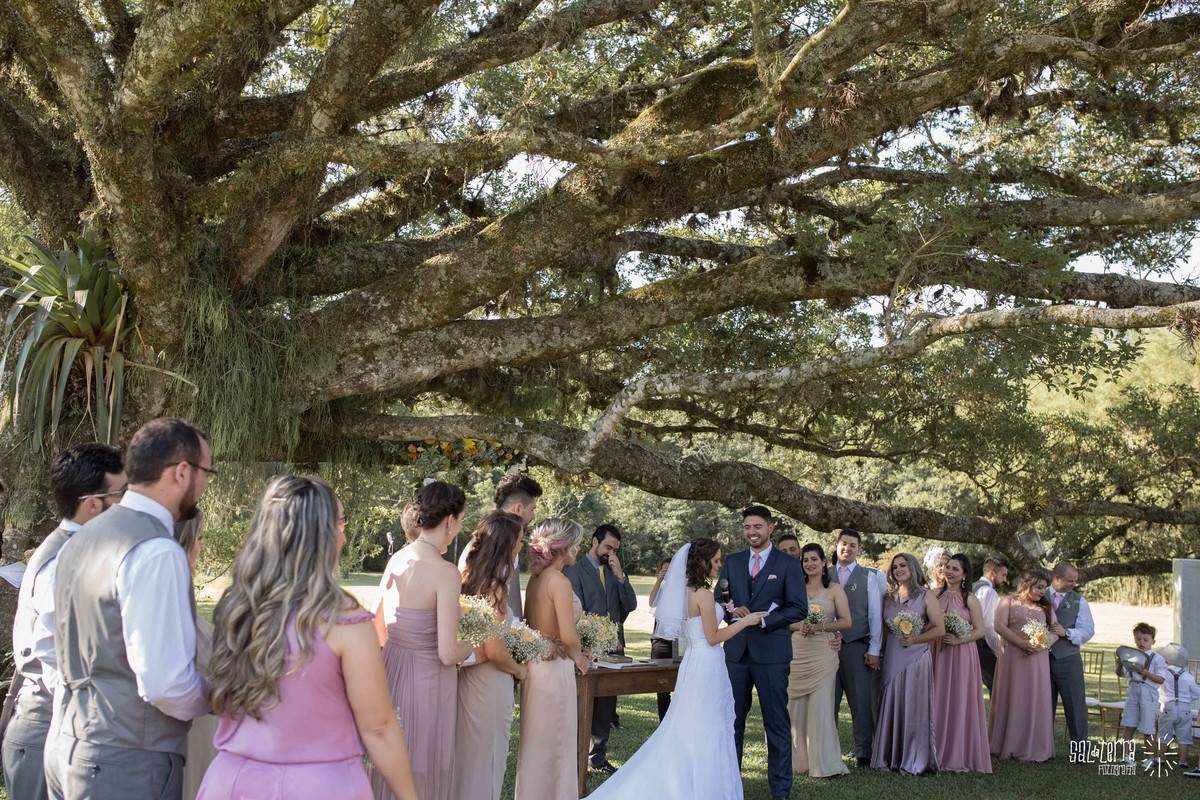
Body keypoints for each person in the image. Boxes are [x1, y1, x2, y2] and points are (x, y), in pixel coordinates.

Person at [198, 476, 417, 800]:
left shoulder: (238, 609)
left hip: (233, 783)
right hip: (320, 786)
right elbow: (379, 726)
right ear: (323, 533)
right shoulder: (344, 620)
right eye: (340, 521)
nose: (343, 533)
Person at [52, 418, 211, 800]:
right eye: (207, 472)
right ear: (182, 472)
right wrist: (223, 697)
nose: (205, 485)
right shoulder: (156, 550)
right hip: (128, 761)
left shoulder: (84, 535)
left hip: (71, 743)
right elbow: (164, 683)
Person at [586, 539, 767, 800]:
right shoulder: (702, 593)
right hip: (705, 663)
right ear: (703, 562)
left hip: (696, 661)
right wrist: (746, 621)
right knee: (706, 725)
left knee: (694, 724)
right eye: (715, 560)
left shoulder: (690, 590)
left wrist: (726, 611)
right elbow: (714, 637)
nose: (719, 565)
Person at [3, 443, 124, 800]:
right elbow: (55, 656)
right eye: (122, 494)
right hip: (45, 731)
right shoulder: (64, 562)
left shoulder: (79, 550)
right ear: (92, 504)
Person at [371, 480, 475, 800]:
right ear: (449, 520)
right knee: (423, 765)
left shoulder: (398, 559)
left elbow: (376, 625)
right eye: (460, 519)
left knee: (391, 759)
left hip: (392, 670)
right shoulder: (445, 573)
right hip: (428, 681)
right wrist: (472, 645)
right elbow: (447, 652)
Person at [715, 506, 806, 800]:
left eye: (757, 526)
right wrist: (732, 613)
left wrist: (763, 619)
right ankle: (730, 785)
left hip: (772, 654)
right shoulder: (732, 561)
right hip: (737, 653)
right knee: (732, 721)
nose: (751, 532)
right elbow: (720, 599)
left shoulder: (789, 564)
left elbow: (798, 607)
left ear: (771, 527)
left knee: (776, 722)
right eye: (747, 527)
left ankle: (780, 790)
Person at [451, 510, 529, 800]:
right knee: (487, 761)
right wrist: (519, 671)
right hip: (489, 684)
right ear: (506, 545)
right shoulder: (495, 587)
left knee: (467, 761)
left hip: (468, 681)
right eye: (519, 541)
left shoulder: (467, 577)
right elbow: (494, 651)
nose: (521, 546)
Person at [514, 519, 590, 800]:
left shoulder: (535, 580)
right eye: (577, 544)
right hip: (555, 670)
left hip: (535, 668)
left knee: (536, 744)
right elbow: (569, 637)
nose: (579, 549)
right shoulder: (559, 581)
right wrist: (580, 660)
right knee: (557, 744)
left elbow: (527, 625)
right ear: (564, 548)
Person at [563, 523, 638, 773]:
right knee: (582, 705)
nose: (611, 553)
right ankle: (574, 758)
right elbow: (576, 612)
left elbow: (631, 605)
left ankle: (598, 757)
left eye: (615, 549)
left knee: (606, 706)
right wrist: (594, 638)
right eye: (607, 547)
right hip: (586, 649)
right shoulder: (575, 570)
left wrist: (620, 577)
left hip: (614, 650)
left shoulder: (614, 571)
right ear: (594, 542)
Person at [872, 553, 943, 774]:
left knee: (914, 705)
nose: (898, 569)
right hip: (892, 656)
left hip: (917, 656)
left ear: (913, 568)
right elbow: (882, 628)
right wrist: (877, 652)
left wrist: (915, 638)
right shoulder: (888, 597)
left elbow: (939, 629)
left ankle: (914, 758)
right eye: (895, 567)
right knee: (891, 702)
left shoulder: (926, 596)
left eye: (903, 565)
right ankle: (888, 757)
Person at [787, 543, 850, 778]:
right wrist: (800, 626)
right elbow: (784, 620)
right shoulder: (794, 588)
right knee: (795, 708)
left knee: (822, 707)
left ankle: (824, 762)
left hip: (823, 652)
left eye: (814, 559)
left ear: (824, 562)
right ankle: (799, 761)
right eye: (806, 560)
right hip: (797, 652)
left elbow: (846, 621)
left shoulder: (834, 589)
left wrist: (820, 627)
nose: (810, 563)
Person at [827, 528, 885, 767]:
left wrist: (874, 649)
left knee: (861, 701)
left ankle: (863, 751)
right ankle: (827, 749)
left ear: (858, 549)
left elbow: (875, 614)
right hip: (826, 646)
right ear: (835, 545)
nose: (847, 548)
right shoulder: (823, 573)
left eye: (853, 545)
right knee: (827, 700)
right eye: (843, 543)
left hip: (856, 645)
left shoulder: (869, 576)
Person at [988, 568, 1058, 762]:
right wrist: (1020, 643)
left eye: (1044, 588)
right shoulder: (1008, 601)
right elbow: (998, 625)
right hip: (1012, 656)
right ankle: (1007, 743)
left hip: (1037, 659)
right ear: (1027, 584)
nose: (1042, 592)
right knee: (1013, 696)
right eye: (1039, 587)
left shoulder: (1045, 607)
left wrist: (1042, 644)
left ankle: (1034, 746)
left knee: (1034, 698)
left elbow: (1056, 631)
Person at [932, 554, 991, 773]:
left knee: (958, 698)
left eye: (955, 569)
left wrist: (959, 639)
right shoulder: (934, 595)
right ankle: (934, 750)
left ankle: (958, 752)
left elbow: (980, 630)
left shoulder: (970, 599)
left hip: (962, 654)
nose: (949, 571)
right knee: (937, 696)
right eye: (947, 567)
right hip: (937, 652)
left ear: (965, 574)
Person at [458, 472, 543, 618]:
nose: (533, 516)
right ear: (518, 508)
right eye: (532, 509)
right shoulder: (490, 546)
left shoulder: (495, 542)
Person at [175, 511, 217, 800]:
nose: (201, 546)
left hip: (206, 724)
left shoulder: (182, 588)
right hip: (193, 728)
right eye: (198, 538)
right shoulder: (173, 593)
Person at [1047, 560, 1094, 749]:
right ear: (1057, 578)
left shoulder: (1079, 601)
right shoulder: (1038, 596)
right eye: (1070, 581)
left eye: (1075, 581)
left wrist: (1066, 633)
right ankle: (1042, 748)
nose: (1074, 585)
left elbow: (1087, 631)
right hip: (1040, 660)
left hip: (1068, 660)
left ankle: (1080, 750)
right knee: (1042, 705)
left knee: (1075, 705)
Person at [1115, 622, 1167, 766]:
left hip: (1148, 693)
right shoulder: (1130, 655)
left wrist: (1147, 673)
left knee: (1148, 727)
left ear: (1153, 641)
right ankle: (1127, 756)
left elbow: (1161, 679)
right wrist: (1120, 664)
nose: (1141, 642)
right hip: (1133, 692)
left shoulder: (1157, 659)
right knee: (1129, 724)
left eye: (1145, 639)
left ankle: (1150, 758)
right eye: (1138, 639)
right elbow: (1121, 673)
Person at [1156, 643, 1200, 771]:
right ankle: (1183, 761)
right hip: (1184, 709)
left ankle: (1161, 758)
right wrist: (1187, 699)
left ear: (1167, 660)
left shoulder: (1162, 674)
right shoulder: (1189, 677)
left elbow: (1157, 688)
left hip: (1167, 708)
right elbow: (1197, 693)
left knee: (1163, 735)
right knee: (1184, 736)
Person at [972, 557, 1008, 691]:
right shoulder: (989, 592)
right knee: (998, 686)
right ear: (992, 573)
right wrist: (998, 650)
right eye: (1003, 575)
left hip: (970, 641)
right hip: (981, 644)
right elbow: (988, 625)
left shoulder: (972, 587)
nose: (1005, 580)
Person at [648, 556, 676, 720]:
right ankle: (663, 720)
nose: (667, 574)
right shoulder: (662, 588)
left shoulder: (683, 588)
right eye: (664, 570)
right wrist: (658, 582)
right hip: (660, 640)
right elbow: (652, 603)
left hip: (679, 641)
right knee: (661, 683)